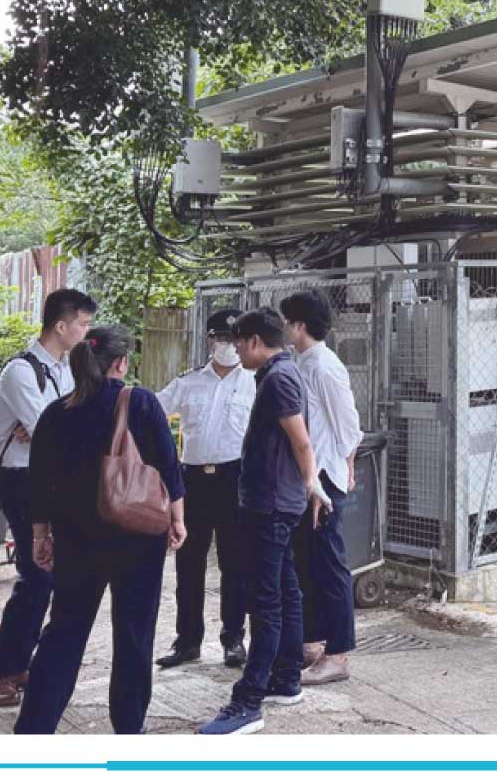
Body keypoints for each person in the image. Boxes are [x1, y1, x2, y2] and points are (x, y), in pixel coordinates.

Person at [14, 326, 186, 735]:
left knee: (64, 633)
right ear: (120, 363)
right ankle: (128, 731)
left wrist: (41, 536)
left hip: (76, 542)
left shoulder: (55, 414)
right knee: (133, 635)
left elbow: (38, 483)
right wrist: (178, 519)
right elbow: (168, 466)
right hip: (138, 537)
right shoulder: (139, 401)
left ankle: (33, 730)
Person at [198, 308, 328, 736]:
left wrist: (312, 485)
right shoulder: (277, 376)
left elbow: (301, 440)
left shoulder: (279, 379)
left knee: (265, 603)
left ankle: (248, 701)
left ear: (254, 341)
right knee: (286, 593)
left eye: (238, 343)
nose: (234, 350)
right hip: (275, 502)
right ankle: (286, 679)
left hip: (272, 506)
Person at [0, 288, 97, 708]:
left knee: (54, 576)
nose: (86, 333)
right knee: (36, 575)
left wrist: (54, 427)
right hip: (24, 483)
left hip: (56, 481)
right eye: (82, 324)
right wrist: (53, 427)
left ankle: (26, 663)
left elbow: (67, 425)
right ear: (61, 326)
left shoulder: (67, 369)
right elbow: (54, 430)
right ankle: (2, 670)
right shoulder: (20, 372)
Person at [155, 308, 255, 670]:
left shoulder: (254, 381)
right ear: (210, 340)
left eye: (235, 340)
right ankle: (187, 641)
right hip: (194, 480)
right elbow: (151, 412)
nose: (228, 346)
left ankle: (234, 639)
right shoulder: (189, 382)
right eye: (222, 339)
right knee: (189, 563)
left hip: (235, 479)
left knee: (234, 563)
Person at [280, 289, 361, 686]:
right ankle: (312, 642)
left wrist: (341, 470)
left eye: (286, 322)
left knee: (330, 565)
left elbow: (348, 425)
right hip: (310, 475)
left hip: (324, 475)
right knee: (307, 561)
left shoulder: (325, 366)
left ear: (298, 325)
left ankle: (339, 654)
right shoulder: (302, 362)